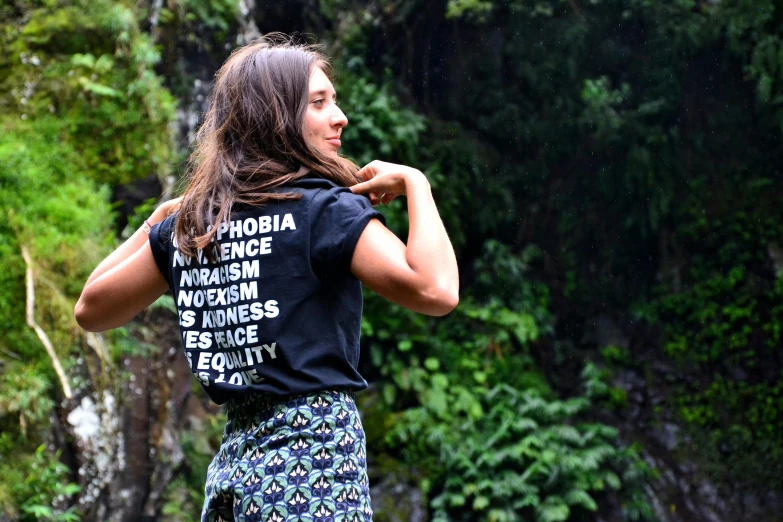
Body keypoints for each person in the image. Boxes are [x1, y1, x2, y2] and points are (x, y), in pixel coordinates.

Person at [74, 34, 458, 522]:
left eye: (334, 101)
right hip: (315, 467)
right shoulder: (322, 211)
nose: (339, 117)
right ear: (274, 115)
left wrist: (159, 221)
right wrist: (415, 184)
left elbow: (91, 308)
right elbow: (436, 289)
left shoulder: (195, 228)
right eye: (319, 103)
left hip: (234, 472)